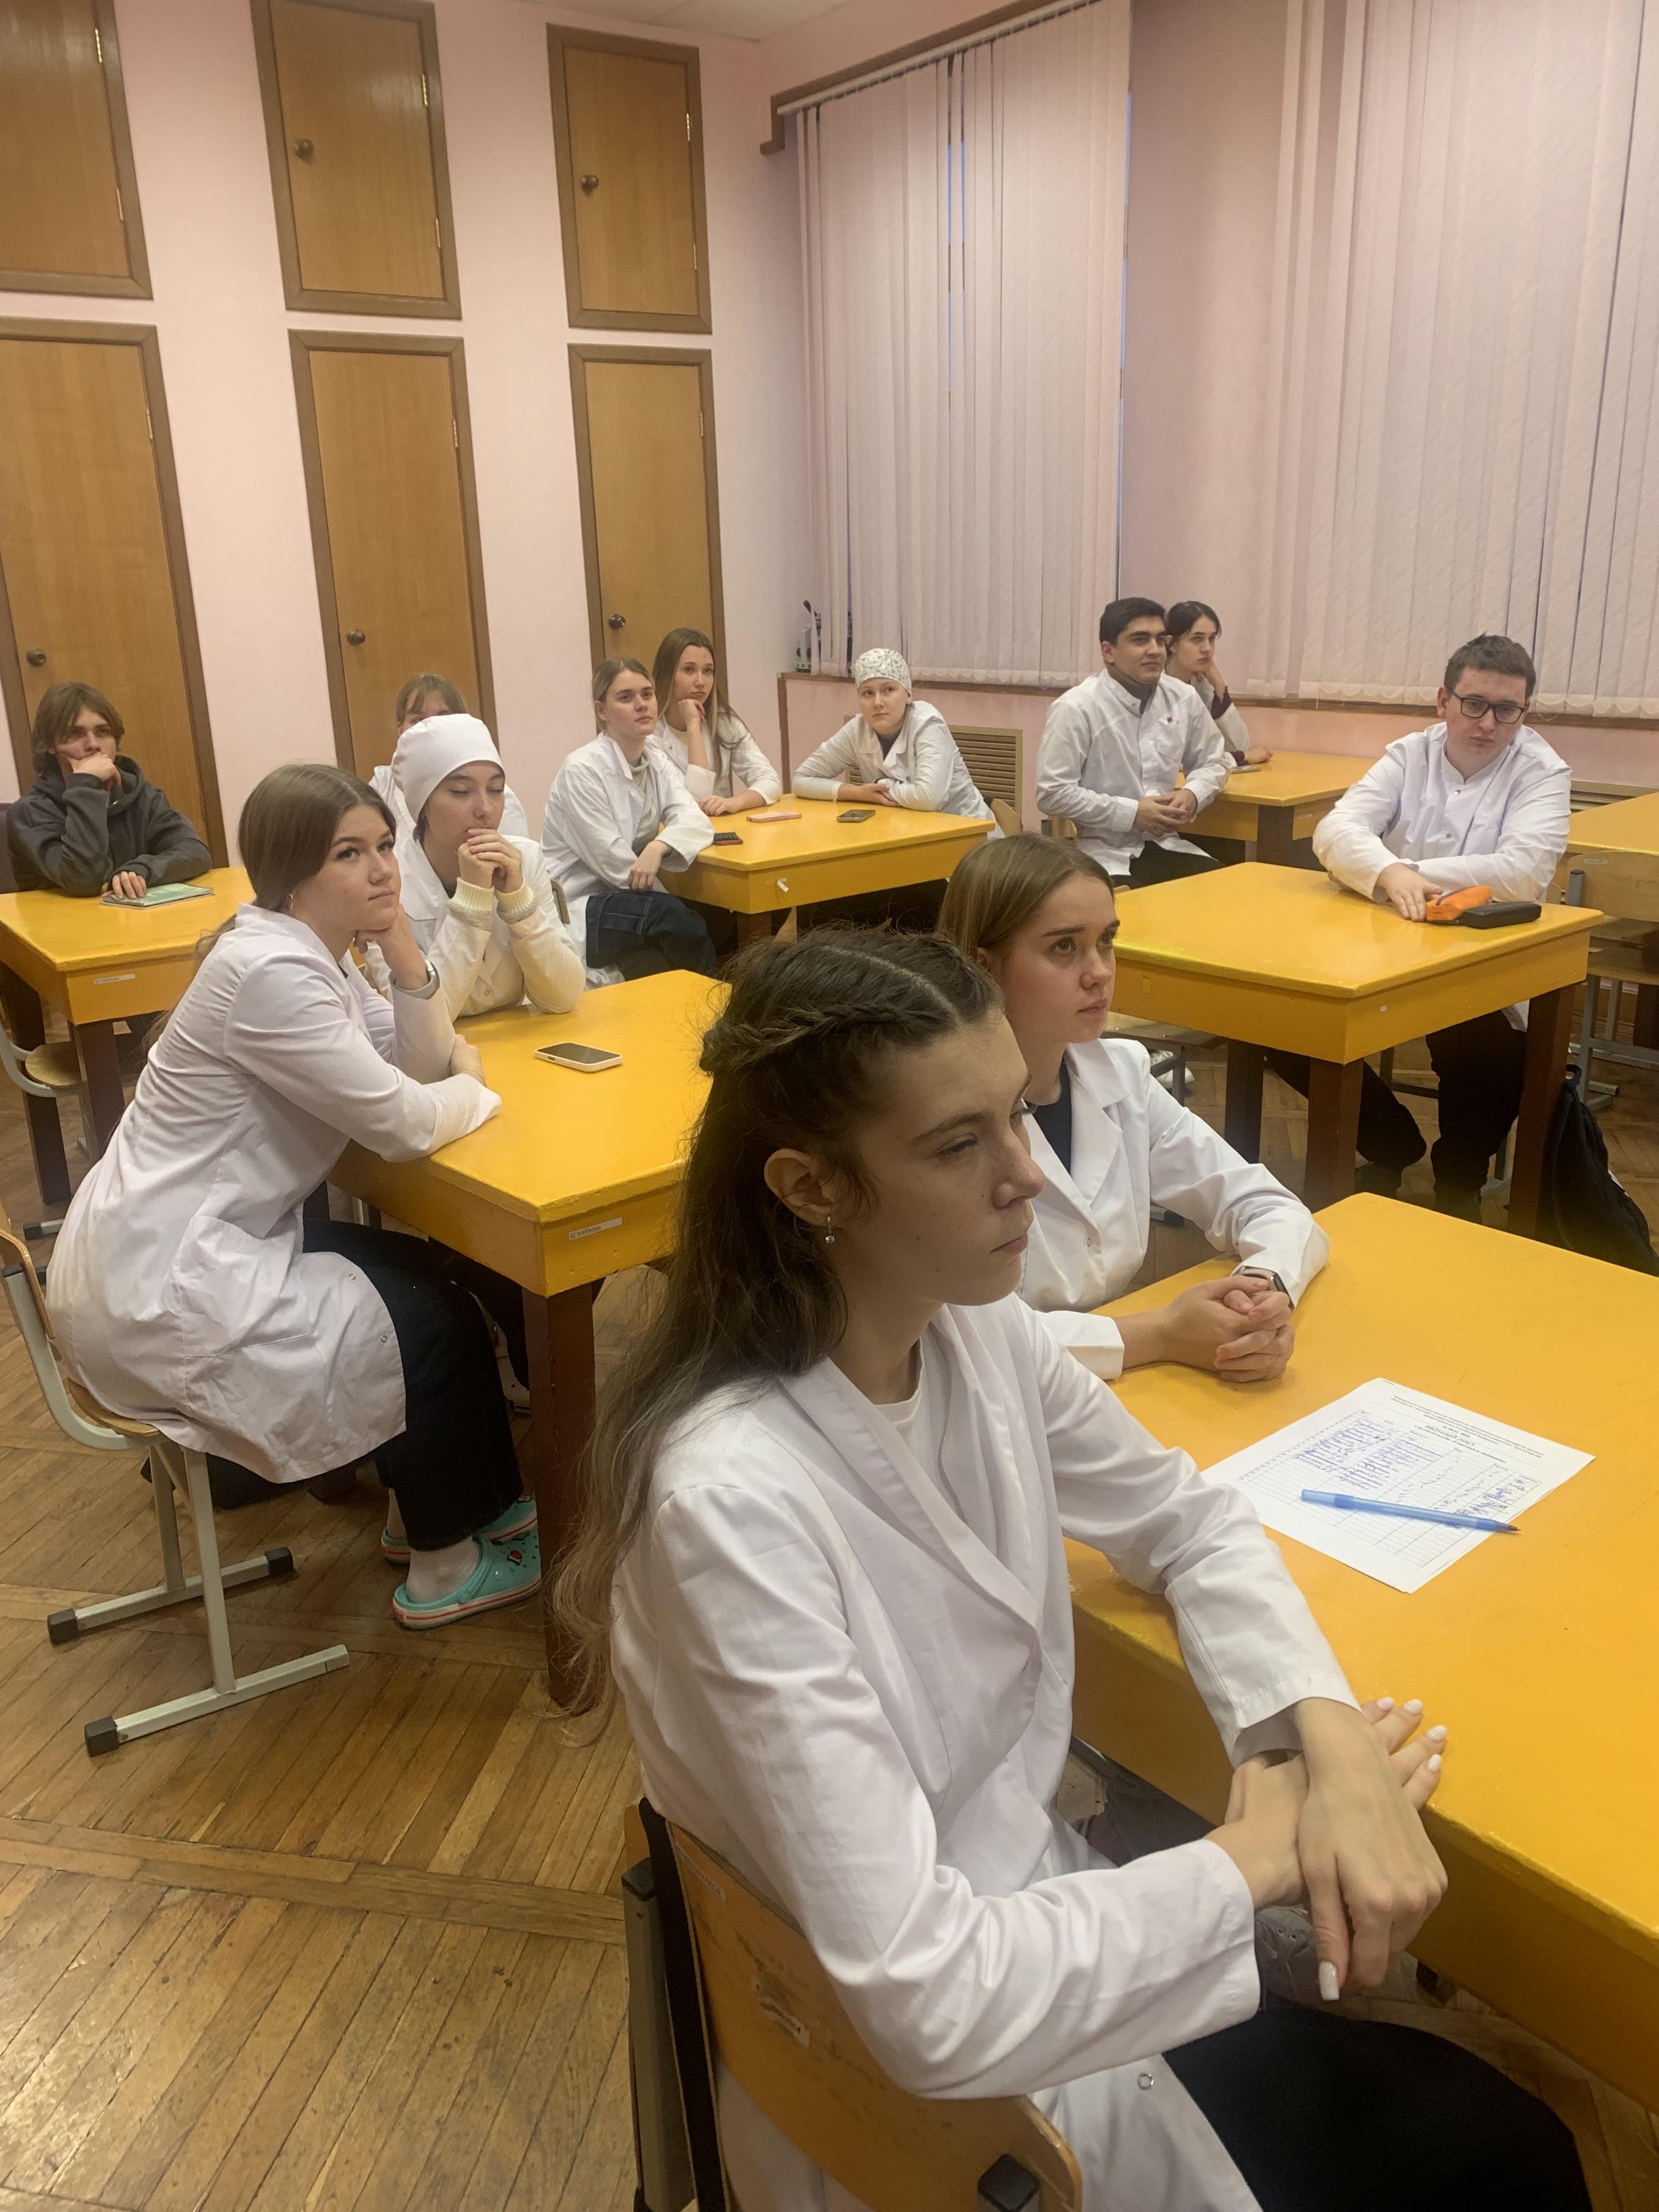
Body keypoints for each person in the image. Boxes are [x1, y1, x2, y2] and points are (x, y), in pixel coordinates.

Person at [552, 928, 1587, 2212]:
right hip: (926, 2097)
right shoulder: (729, 1505)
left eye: (1018, 1115)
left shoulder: (976, 1335)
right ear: (811, 1188)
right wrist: (1256, 1859)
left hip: (1049, 1943)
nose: (1027, 1175)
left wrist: (1330, 1748)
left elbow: (1192, 1525)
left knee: (1491, 2143)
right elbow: (931, 2002)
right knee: (1505, 2158)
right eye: (959, 1145)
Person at [46, 764, 542, 1630]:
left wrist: (402, 950)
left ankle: (433, 1512)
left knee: (426, 1275)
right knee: (426, 1321)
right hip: (159, 1287)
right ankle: (444, 1568)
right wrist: (477, 1086)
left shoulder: (310, 955)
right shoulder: (271, 972)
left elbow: (408, 1059)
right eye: (350, 854)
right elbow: (404, 1119)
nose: (382, 870)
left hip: (189, 1243)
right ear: (292, 875)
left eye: (384, 845)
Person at [939, 834, 1325, 1380]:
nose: (1099, 971)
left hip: (1118, 1380)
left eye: (1106, 941)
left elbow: (1264, 1203)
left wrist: (1258, 1295)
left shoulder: (1120, 1074)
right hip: (995, 1399)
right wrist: (1159, 1333)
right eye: (1064, 948)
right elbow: (957, 1337)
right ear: (985, 968)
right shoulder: (940, 1118)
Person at [1270, 635, 1572, 1218]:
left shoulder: (1541, 771)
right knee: (1286, 1023)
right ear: (1444, 700)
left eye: (1507, 710)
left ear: (1525, 711)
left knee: (1489, 1053)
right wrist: (1386, 872)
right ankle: (1390, 1144)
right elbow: (1335, 831)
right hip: (1382, 941)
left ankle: (1458, 1180)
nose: (1488, 723)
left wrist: (1398, 870)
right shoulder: (1410, 755)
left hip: (1479, 953)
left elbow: (1523, 872)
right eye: (1474, 704)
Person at [364, 712, 584, 1022]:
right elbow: (422, 1023)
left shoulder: (524, 859)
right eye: (461, 792)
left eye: (496, 789)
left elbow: (564, 998)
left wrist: (519, 903)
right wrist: (473, 900)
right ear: (422, 806)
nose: (485, 809)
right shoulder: (385, 881)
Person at [540, 659, 717, 979]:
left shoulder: (655, 757)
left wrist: (659, 846)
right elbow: (617, 867)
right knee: (673, 917)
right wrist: (671, 896)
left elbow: (694, 817)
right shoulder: (582, 770)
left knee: (719, 916)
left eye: (647, 694)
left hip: (624, 898)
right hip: (582, 904)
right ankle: (718, 1002)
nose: (641, 705)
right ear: (602, 711)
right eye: (626, 697)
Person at [1036, 598, 1231, 885]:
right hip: (1101, 854)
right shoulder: (1077, 707)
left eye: (1160, 640)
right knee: (1133, 906)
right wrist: (1132, 813)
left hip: (1166, 844)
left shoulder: (1183, 697)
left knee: (1229, 893)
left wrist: (1193, 794)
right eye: (1140, 640)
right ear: (1108, 652)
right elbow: (1052, 793)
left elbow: (1215, 761)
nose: (1155, 650)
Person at [7, 682, 211, 900]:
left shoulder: (143, 795)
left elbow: (195, 851)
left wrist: (142, 870)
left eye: (103, 732)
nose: (93, 744)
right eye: (75, 733)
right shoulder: (30, 812)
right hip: (63, 920)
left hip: (131, 918)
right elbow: (84, 880)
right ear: (50, 745)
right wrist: (84, 785)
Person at [792, 648, 996, 825]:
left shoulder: (927, 723)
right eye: (868, 693)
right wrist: (858, 793)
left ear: (908, 695)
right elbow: (801, 780)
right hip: (904, 831)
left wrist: (880, 784)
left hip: (969, 835)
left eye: (888, 690)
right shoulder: (858, 730)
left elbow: (929, 798)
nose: (878, 703)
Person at [371, 673, 531, 839]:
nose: (431, 728)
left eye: (443, 719)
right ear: (400, 730)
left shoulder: (495, 796)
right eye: (418, 720)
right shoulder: (382, 784)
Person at [651, 628, 781, 815]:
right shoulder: (648, 734)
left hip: (721, 828)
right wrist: (693, 726)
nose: (700, 682)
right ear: (666, 675)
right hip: (674, 829)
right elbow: (697, 801)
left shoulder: (724, 723)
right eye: (689, 670)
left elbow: (770, 781)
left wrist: (735, 802)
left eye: (708, 671)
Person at [1166, 601, 1272, 764]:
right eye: (1197, 639)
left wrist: (1219, 686)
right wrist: (1241, 758)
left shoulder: (1201, 684)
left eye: (1212, 639)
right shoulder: (1153, 687)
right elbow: (1174, 760)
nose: (1207, 648)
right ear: (1171, 644)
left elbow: (1242, 746)